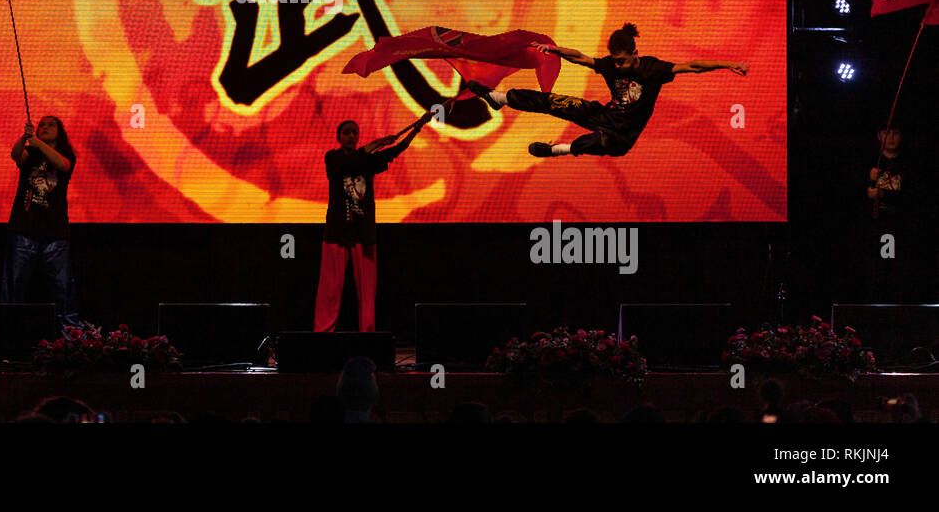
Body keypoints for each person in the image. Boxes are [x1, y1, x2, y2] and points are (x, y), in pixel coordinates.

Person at [467, 22, 747, 157]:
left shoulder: (653, 69)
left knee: (600, 141)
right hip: (604, 115)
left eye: (622, 61)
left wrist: (726, 64)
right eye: (615, 61)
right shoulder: (611, 65)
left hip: (622, 136)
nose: (618, 66)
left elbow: (693, 66)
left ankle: (555, 151)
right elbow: (581, 58)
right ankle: (499, 98)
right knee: (557, 102)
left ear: (635, 54)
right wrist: (553, 50)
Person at [314, 110, 434, 332]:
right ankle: (322, 334)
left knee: (367, 290)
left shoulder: (367, 160)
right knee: (330, 288)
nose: (351, 136)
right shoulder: (332, 158)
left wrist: (417, 127)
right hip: (337, 231)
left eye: (355, 132)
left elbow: (395, 151)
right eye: (347, 132)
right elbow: (351, 161)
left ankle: (367, 334)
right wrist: (378, 142)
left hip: (363, 231)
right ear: (338, 137)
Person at [2, 115, 83, 334]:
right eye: (41, 125)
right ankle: (9, 334)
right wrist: (25, 138)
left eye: (51, 124)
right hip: (23, 228)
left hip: (55, 231)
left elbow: (62, 165)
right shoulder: (32, 152)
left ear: (60, 132)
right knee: (15, 284)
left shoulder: (65, 153)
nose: (45, 127)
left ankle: (71, 336)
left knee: (63, 286)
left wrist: (36, 142)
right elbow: (16, 154)